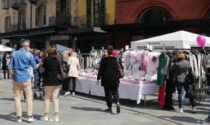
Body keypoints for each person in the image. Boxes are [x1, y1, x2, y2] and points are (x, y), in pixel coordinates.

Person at [9, 39, 38, 123]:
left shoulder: (14, 53)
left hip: (16, 78)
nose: (28, 47)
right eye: (28, 45)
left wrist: (12, 75)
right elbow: (35, 66)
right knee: (29, 98)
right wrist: (38, 64)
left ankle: (19, 117)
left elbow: (10, 66)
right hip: (26, 78)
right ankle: (29, 116)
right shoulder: (29, 55)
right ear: (26, 46)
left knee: (17, 98)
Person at [97, 45, 120, 114]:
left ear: (107, 51)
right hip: (115, 79)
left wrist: (98, 78)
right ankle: (118, 103)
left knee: (108, 94)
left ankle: (110, 108)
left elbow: (100, 70)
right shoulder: (115, 59)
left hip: (106, 79)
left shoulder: (104, 59)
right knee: (115, 92)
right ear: (112, 51)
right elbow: (117, 70)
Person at [42, 47, 62, 122]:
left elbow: (43, 68)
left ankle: (46, 115)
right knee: (55, 98)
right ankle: (56, 116)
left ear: (49, 53)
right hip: (57, 81)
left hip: (48, 81)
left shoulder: (46, 59)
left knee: (47, 98)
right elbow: (59, 70)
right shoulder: (57, 60)